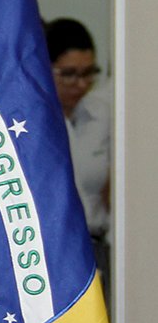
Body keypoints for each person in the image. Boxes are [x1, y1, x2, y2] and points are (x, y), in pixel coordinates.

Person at [46, 17, 111, 277]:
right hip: (51, 252)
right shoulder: (30, 123)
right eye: (69, 74)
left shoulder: (103, 116)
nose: (81, 84)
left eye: (88, 73)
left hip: (96, 247)